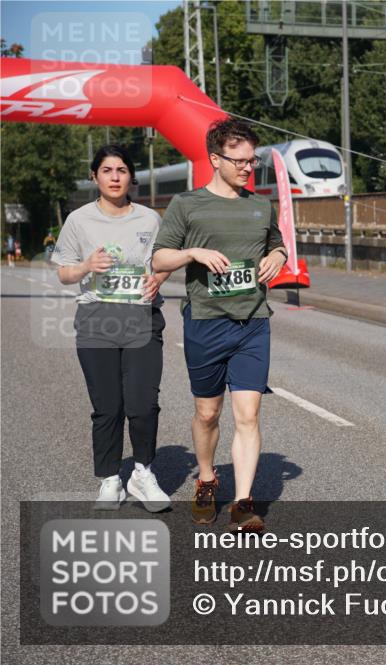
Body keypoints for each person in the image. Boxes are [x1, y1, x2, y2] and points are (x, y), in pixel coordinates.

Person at [152, 117, 288, 532]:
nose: (248, 168)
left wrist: (278, 257)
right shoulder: (187, 205)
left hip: (252, 323)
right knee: (208, 414)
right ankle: (208, 479)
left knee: (248, 415)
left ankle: (244, 503)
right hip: (206, 322)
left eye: (253, 160)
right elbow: (159, 259)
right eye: (240, 160)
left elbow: (277, 243)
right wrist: (192, 252)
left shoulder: (259, 204)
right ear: (215, 158)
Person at [52, 145, 172, 511]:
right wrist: (87, 265)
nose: (115, 176)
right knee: (107, 408)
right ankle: (109, 479)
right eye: (107, 170)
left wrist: (158, 279)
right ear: (95, 177)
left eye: (122, 170)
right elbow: (63, 273)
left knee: (142, 404)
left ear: (131, 177)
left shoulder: (150, 220)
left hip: (141, 318)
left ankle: (142, 472)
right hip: (96, 319)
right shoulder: (78, 220)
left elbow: (164, 260)